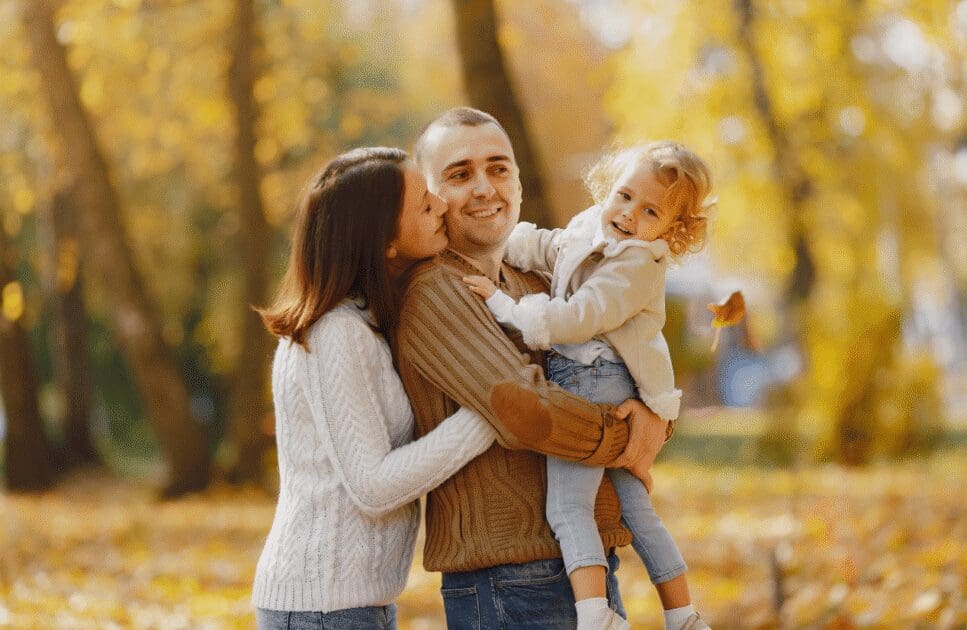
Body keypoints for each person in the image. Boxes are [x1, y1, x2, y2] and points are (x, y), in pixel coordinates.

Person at [395, 108, 671, 630]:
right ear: (430, 198)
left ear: (518, 182)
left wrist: (657, 419)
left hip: (581, 568)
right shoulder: (437, 291)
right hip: (507, 582)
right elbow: (528, 412)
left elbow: (623, 365)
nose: (484, 188)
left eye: (498, 168)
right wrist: (629, 437)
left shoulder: (538, 285)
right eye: (460, 174)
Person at [464, 141, 715, 630]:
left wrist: (507, 307)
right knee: (634, 507)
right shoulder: (594, 225)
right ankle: (684, 616)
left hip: (592, 376)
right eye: (623, 195)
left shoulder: (637, 265)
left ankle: (595, 615)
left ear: (672, 231)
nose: (627, 214)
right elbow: (553, 246)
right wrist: (501, 243)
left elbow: (582, 316)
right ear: (610, 187)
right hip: (605, 377)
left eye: (650, 211)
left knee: (567, 505)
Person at [250, 147, 501, 630]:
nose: (444, 207)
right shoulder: (335, 335)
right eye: (426, 206)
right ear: (385, 243)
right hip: (324, 608)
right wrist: (490, 412)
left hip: (344, 604)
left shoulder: (359, 323)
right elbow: (373, 486)